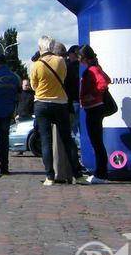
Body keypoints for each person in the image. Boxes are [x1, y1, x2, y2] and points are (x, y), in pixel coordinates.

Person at [30, 36, 88, 186]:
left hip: (42, 103)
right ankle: (78, 174)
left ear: (40, 47)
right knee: (67, 140)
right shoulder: (60, 61)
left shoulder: (36, 65)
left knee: (46, 141)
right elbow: (62, 77)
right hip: (60, 102)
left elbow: (34, 86)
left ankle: (50, 176)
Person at [78, 45, 111, 184]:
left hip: (94, 108)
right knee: (96, 142)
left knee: (97, 142)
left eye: (80, 57)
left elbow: (103, 83)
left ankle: (101, 174)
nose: (79, 59)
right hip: (93, 108)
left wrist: (92, 96)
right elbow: (107, 79)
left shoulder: (93, 69)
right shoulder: (95, 68)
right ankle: (101, 172)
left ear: (84, 58)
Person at [65, 45, 81, 138]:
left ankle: (77, 144)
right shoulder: (82, 66)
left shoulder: (69, 67)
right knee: (80, 127)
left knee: (74, 129)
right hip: (81, 100)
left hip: (73, 100)